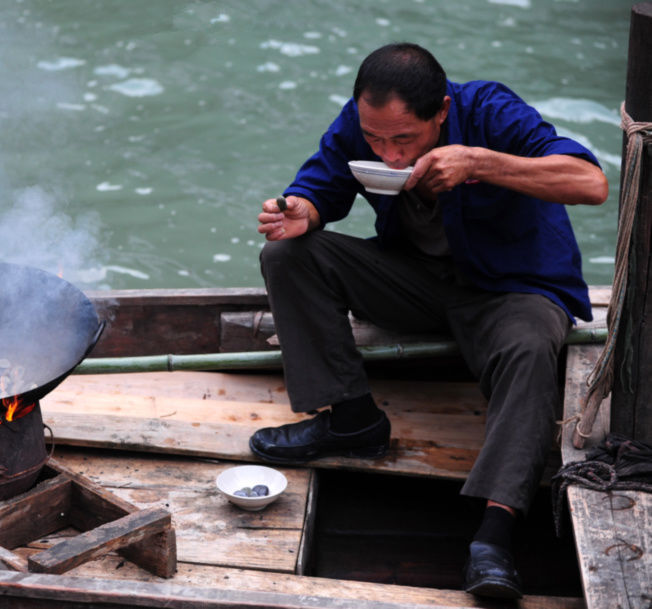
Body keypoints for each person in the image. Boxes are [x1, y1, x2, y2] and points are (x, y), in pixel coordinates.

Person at [251, 42, 608, 599]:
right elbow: (318, 190)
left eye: (404, 140)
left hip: (511, 290)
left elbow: (591, 182)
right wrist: (299, 211)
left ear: (440, 111)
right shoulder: (361, 124)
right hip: (416, 283)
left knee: (532, 348)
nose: (388, 155)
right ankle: (351, 420)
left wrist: (479, 162)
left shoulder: (489, 110)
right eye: (375, 141)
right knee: (288, 254)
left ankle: (494, 535)